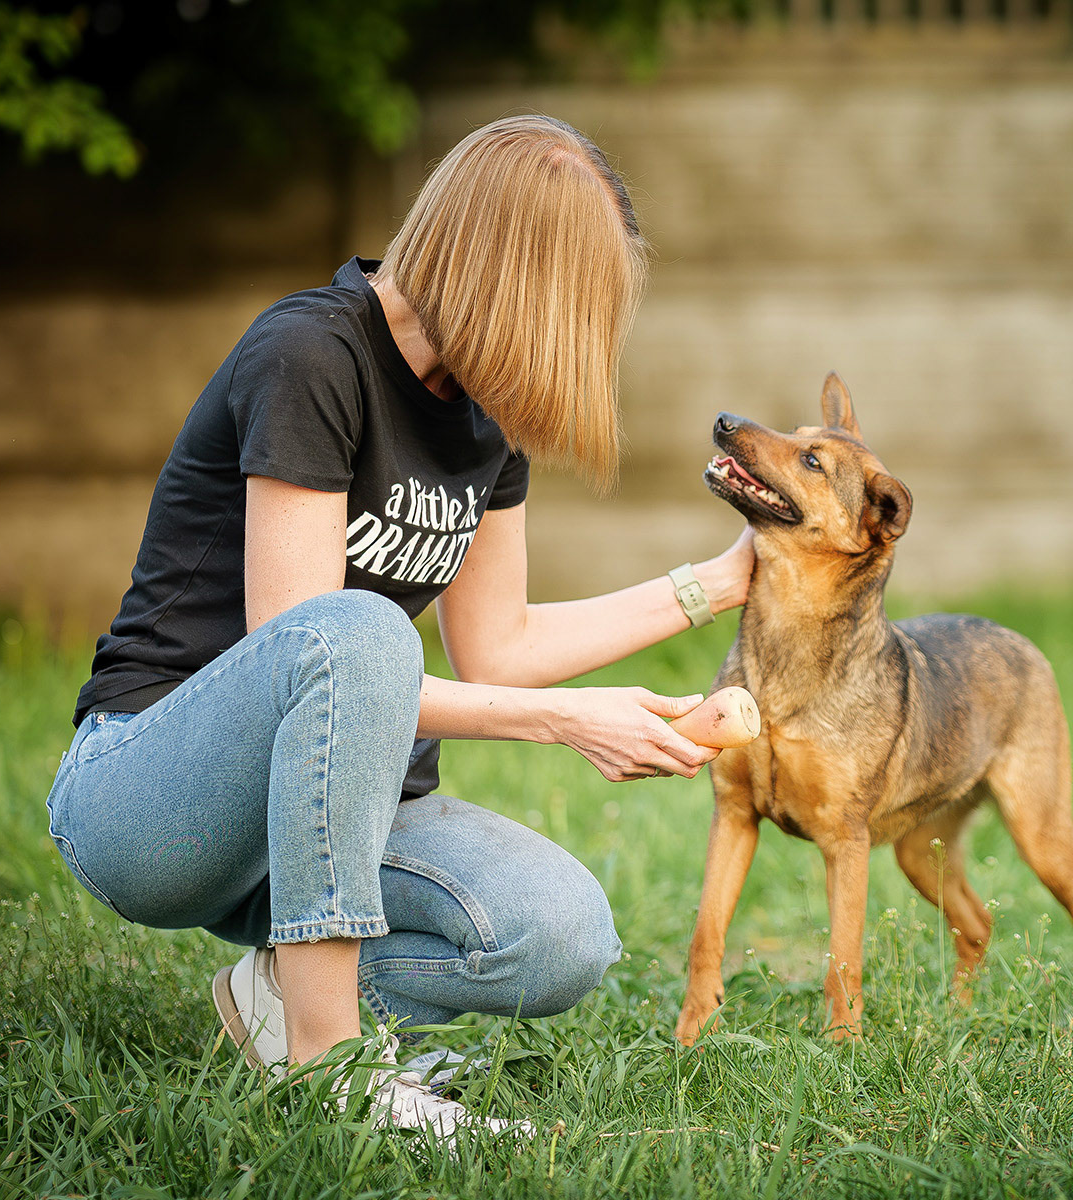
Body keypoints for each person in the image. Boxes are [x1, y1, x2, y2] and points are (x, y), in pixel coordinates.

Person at [43, 115, 754, 1135]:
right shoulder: (312, 355)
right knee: (363, 630)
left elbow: (501, 647)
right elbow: (312, 651)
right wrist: (566, 721)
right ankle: (329, 1072)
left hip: (340, 812)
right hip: (152, 799)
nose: (578, 343)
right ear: (506, 276)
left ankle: (281, 999)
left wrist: (717, 585)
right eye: (574, 307)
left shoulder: (486, 411)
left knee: (560, 935)